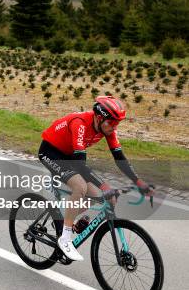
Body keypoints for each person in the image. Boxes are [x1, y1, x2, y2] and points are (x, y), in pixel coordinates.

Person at [39, 96, 155, 262]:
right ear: (99, 118)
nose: (114, 128)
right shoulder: (80, 124)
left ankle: (66, 219)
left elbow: (119, 158)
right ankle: (65, 238)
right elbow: (80, 166)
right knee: (80, 187)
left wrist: (138, 182)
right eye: (111, 123)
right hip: (51, 152)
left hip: (69, 155)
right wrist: (104, 185)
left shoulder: (106, 128)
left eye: (117, 124)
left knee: (97, 195)